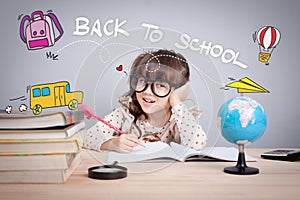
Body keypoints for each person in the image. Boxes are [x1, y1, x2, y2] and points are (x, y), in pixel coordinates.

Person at [83, 49, 207, 153]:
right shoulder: (124, 114)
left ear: (177, 92)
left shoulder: (179, 119)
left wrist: (178, 104)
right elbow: (86, 137)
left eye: (160, 85)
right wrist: (112, 143)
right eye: (142, 81)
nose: (147, 91)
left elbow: (197, 144)